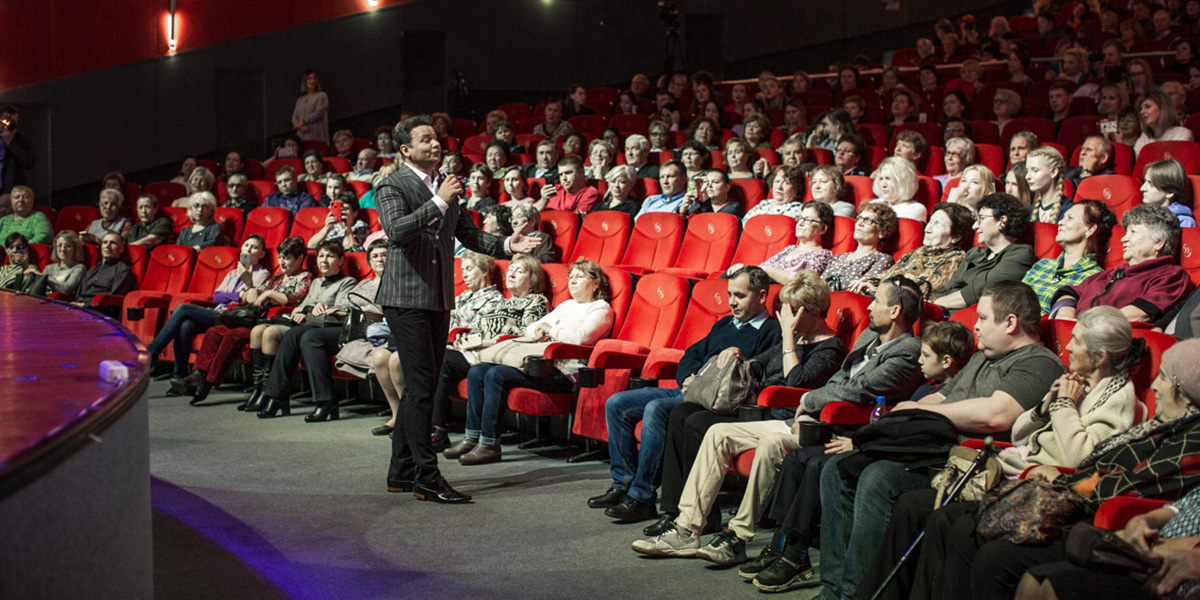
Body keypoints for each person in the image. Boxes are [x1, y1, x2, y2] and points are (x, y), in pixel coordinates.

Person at [818, 281, 1065, 600]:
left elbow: (997, 415)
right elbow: (943, 397)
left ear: (1010, 323)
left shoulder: (1038, 363)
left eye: (984, 318)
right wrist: (911, 410)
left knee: (879, 478)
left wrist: (921, 410)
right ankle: (834, 589)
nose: (975, 325)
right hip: (933, 449)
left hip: (968, 466)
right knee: (837, 468)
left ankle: (860, 593)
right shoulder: (982, 357)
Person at [908, 337, 1200, 600]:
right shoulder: (1156, 420)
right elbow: (1021, 434)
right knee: (945, 520)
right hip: (1046, 477)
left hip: (1080, 505)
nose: (1068, 346)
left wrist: (1063, 414)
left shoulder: (1125, 403)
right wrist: (1047, 404)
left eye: (1078, 339)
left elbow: (1086, 463)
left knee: (975, 541)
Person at [374, 115, 540, 504]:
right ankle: (427, 477)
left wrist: (507, 247)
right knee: (420, 390)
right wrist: (438, 201)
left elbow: (468, 234)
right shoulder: (392, 185)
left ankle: (400, 471)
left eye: (436, 138)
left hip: (437, 297)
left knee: (424, 387)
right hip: (404, 298)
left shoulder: (446, 186)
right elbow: (397, 231)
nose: (436, 144)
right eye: (425, 139)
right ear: (405, 150)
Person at [629, 272, 849, 562]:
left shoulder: (829, 346)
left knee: (703, 423)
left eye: (791, 311)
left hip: (791, 420)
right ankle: (686, 528)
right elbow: (759, 364)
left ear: (812, 311)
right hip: (764, 414)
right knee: (715, 432)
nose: (785, 317)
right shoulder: (796, 337)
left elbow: (798, 380)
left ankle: (736, 535)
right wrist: (739, 354)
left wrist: (786, 337)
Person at [745, 319, 973, 592]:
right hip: (873, 443)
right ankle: (783, 544)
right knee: (798, 458)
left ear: (946, 361)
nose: (919, 361)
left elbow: (911, 436)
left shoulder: (950, 396)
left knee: (822, 464)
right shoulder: (923, 389)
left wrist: (859, 444)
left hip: (892, 455)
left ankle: (800, 556)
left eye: (925, 355)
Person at [592, 266, 782, 523]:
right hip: (691, 389)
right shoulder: (726, 323)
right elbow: (692, 354)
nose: (731, 302)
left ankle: (642, 497)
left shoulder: (771, 331)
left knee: (656, 409)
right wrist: (688, 379)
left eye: (739, 295)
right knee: (617, 403)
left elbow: (756, 374)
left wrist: (734, 361)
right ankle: (623, 483)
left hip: (716, 398)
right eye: (729, 295)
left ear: (761, 296)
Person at [450, 258, 614, 465]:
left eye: (579, 277)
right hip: (541, 364)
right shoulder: (566, 306)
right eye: (570, 276)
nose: (572, 281)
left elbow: (581, 338)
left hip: (563, 372)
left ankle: (490, 444)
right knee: (478, 371)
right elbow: (530, 328)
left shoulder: (600, 308)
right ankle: (472, 436)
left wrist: (551, 331)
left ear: (596, 283)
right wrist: (542, 330)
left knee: (496, 374)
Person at [393, 253, 549, 445]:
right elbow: (478, 328)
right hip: (476, 351)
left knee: (440, 359)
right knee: (432, 356)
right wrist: (464, 339)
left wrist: (484, 344)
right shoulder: (501, 303)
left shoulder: (536, 301)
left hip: (499, 353)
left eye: (519, 271)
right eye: (511, 270)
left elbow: (527, 335)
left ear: (532, 279)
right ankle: (419, 424)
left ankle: (438, 429)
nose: (512, 274)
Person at [255, 241, 387, 421]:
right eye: (375, 256)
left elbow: (378, 311)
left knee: (310, 337)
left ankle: (326, 400)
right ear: (369, 262)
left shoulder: (391, 284)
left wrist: (338, 310)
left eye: (384, 255)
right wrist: (331, 309)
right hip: (345, 322)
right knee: (294, 334)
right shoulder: (363, 284)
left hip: (360, 328)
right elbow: (346, 304)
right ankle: (276, 396)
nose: (380, 260)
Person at [193, 236, 312, 410]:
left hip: (272, 322)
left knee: (233, 335)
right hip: (255, 319)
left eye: (286, 258)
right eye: (280, 257)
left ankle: (209, 383)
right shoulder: (276, 278)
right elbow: (256, 296)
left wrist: (269, 295)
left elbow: (296, 298)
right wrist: (250, 287)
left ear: (300, 258)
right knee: (215, 331)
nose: (282, 262)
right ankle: (200, 375)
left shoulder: (304, 277)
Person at [147, 235, 272, 396]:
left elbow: (250, 298)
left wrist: (241, 291)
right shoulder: (233, 273)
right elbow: (217, 297)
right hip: (218, 312)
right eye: (246, 245)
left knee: (184, 308)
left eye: (254, 247)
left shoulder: (262, 273)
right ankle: (180, 378)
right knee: (185, 326)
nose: (248, 249)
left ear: (261, 253)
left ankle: (152, 353)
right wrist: (239, 294)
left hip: (233, 317)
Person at [1051, 204, 1190, 324]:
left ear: (1159, 242)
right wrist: (1065, 313)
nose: (1123, 239)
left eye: (1133, 232)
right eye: (1126, 232)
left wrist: (1086, 325)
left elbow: (1139, 314)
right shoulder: (1112, 272)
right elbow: (1070, 293)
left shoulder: (1171, 275)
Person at [933, 193, 1036, 312]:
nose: (975, 226)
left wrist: (933, 304)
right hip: (944, 312)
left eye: (981, 219)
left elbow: (977, 292)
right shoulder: (975, 253)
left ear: (1002, 221)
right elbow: (948, 288)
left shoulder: (1020, 254)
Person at [852, 202, 975, 297]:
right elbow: (890, 273)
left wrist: (878, 289)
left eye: (937, 224)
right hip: (886, 296)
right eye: (930, 222)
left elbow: (925, 288)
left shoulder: (955, 259)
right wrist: (869, 281)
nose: (928, 229)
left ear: (956, 236)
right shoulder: (920, 251)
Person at [1022, 200, 1114, 313]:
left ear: (1090, 230)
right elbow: (1013, 298)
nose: (1060, 222)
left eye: (1070, 218)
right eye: (1063, 217)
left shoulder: (1094, 279)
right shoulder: (1042, 265)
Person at [731, 201, 834, 284]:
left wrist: (769, 271)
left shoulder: (822, 254)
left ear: (823, 229)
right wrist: (744, 269)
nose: (800, 223)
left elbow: (805, 282)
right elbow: (761, 268)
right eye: (800, 218)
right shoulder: (790, 249)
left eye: (807, 220)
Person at [822, 204, 896, 291]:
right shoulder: (838, 257)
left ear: (882, 232)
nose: (859, 223)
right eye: (859, 218)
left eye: (867, 220)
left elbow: (861, 289)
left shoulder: (882, 259)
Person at [74, 232, 134, 305]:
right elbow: (79, 294)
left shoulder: (122, 270)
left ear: (121, 249)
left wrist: (84, 305)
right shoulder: (93, 270)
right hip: (78, 308)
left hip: (97, 311)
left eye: (113, 243)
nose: (107, 246)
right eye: (105, 242)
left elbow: (113, 299)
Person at [1133, 89, 1194, 155]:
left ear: (1163, 109)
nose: (1142, 112)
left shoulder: (1182, 133)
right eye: (1140, 109)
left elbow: (1174, 163)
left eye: (1147, 106)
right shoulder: (1144, 138)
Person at [742, 165, 808, 225]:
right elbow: (744, 223)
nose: (779, 187)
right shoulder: (764, 203)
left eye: (786, 183)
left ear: (796, 189)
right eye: (777, 181)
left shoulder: (797, 209)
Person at [867, 157, 926, 223]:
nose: (883, 185)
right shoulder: (874, 203)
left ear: (903, 181)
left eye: (888, 178)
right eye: (881, 179)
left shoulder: (915, 209)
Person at [1142, 158, 1198, 227]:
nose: (1142, 188)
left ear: (1170, 192)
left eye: (1151, 183)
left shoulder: (1184, 223)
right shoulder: (1140, 215)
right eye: (1145, 181)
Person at [536, 156, 601, 214]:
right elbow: (530, 213)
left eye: (568, 173)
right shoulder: (555, 189)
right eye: (561, 174)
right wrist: (543, 200)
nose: (564, 178)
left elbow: (574, 221)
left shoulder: (590, 193)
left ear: (581, 172)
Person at [1026, 146, 1072, 224]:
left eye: (1035, 170)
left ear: (1053, 172)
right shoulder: (1030, 212)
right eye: (1027, 171)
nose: (1027, 176)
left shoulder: (1068, 209)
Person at [33, 231, 85, 296]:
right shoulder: (49, 268)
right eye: (59, 245)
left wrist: (43, 277)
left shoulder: (78, 268)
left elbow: (67, 289)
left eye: (68, 246)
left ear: (75, 249)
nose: (62, 249)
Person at [0, 105, 36, 197]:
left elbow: (28, 162)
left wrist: (10, 142)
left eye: (13, 123)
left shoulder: (21, 140)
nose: (8, 126)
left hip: (10, 191)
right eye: (5, 121)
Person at [292, 71, 329, 142]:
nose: (312, 81)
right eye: (309, 79)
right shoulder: (300, 100)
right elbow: (294, 116)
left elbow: (319, 112)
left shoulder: (321, 96)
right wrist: (299, 126)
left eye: (314, 79)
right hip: (301, 136)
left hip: (316, 134)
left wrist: (303, 121)